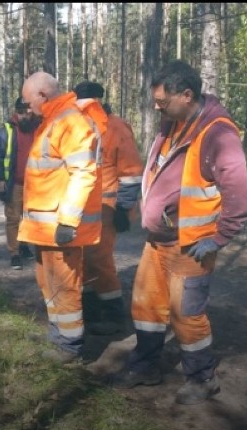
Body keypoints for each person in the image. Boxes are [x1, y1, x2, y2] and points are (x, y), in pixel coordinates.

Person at [109, 60, 247, 405]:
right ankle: (145, 367)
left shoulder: (218, 133)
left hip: (191, 246)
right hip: (158, 242)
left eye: (162, 101)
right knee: (146, 305)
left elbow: (240, 193)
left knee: (186, 314)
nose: (157, 107)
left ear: (187, 95)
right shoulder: (173, 123)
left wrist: (218, 238)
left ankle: (203, 378)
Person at [18, 71, 108, 363]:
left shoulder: (69, 121)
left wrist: (68, 222)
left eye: (28, 100)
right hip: (44, 230)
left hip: (59, 229)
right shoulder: (52, 122)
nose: (25, 106)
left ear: (42, 95)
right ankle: (59, 336)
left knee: (65, 286)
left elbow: (83, 173)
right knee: (49, 282)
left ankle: (70, 347)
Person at [72, 81, 145, 335]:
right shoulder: (76, 127)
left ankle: (114, 316)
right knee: (82, 260)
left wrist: (124, 208)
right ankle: (91, 312)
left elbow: (132, 171)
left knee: (100, 260)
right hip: (81, 210)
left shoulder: (115, 127)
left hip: (106, 209)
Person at [0, 96, 40, 270]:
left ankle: (25, 245)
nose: (24, 116)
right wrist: (0, 180)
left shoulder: (39, 128)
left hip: (35, 184)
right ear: (16, 112)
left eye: (27, 113)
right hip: (14, 183)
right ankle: (14, 253)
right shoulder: (7, 130)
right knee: (13, 218)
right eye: (21, 113)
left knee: (30, 218)